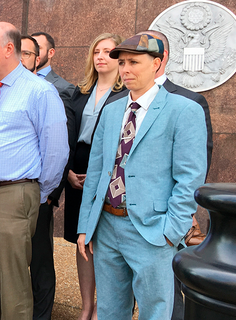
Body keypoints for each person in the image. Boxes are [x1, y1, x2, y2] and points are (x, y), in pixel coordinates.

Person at [77, 34, 207, 319]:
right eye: (122, 62)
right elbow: (97, 171)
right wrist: (86, 225)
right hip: (107, 227)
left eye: (134, 62)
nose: (125, 69)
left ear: (157, 63)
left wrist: (171, 231)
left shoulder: (184, 110)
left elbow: (190, 178)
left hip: (153, 231)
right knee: (111, 311)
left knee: (156, 312)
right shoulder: (111, 111)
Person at [0, 22, 68, 320]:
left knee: (13, 283)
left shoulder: (40, 92)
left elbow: (56, 150)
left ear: (9, 49)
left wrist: (37, 193)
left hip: (12, 195)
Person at [134, 29, 213, 320]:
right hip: (121, 222)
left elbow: (196, 164)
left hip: (163, 221)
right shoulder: (121, 102)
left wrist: (179, 219)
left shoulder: (189, 101)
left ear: (160, 58)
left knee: (166, 297)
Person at [64, 32, 126, 320]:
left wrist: (102, 174)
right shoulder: (81, 90)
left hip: (109, 169)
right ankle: (86, 306)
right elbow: (68, 133)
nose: (101, 56)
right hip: (76, 166)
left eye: (108, 51)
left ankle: (104, 307)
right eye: (96, 51)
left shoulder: (126, 94)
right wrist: (67, 171)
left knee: (104, 240)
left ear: (119, 58)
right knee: (82, 239)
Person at [28, 31, 72, 320]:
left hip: (40, 192)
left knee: (41, 258)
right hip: (10, 192)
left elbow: (60, 144)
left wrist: (49, 195)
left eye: (32, 51)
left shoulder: (61, 89)